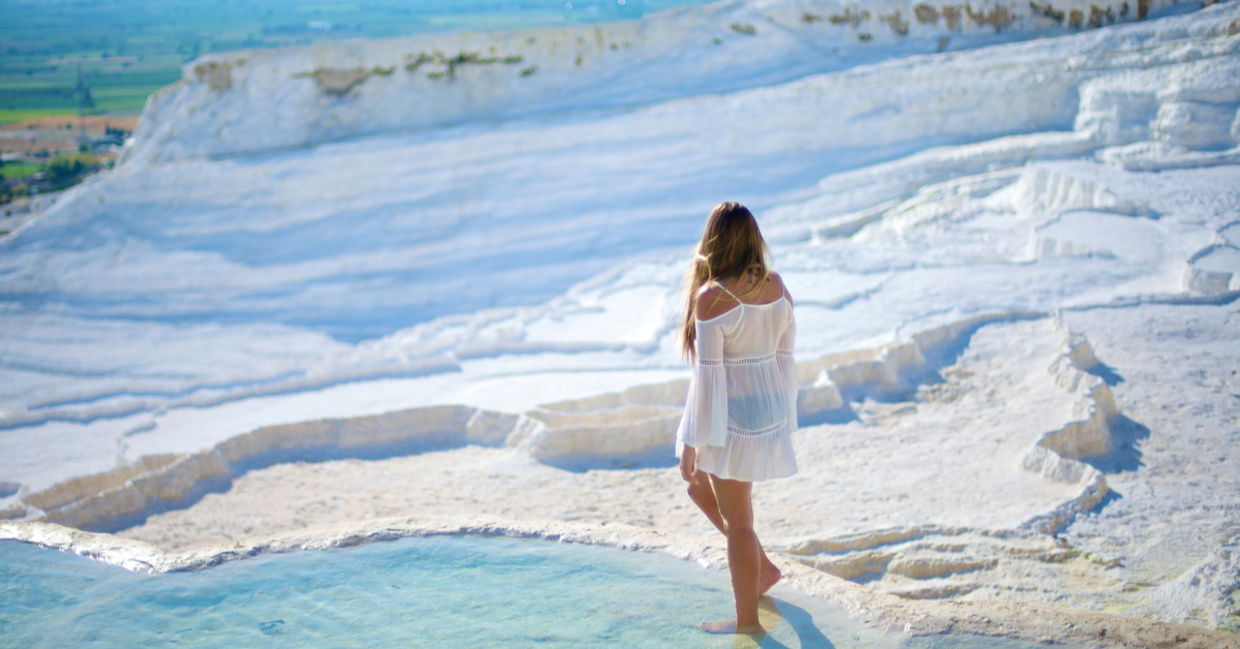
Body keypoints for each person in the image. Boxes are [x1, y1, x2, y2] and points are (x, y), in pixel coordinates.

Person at [675, 201, 798, 635]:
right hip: (766, 409)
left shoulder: (713, 298)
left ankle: (748, 622)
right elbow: (784, 354)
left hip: (734, 417)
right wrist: (781, 415)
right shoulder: (778, 286)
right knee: (696, 484)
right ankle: (760, 567)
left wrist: (692, 440)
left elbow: (708, 379)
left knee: (740, 520)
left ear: (714, 242)